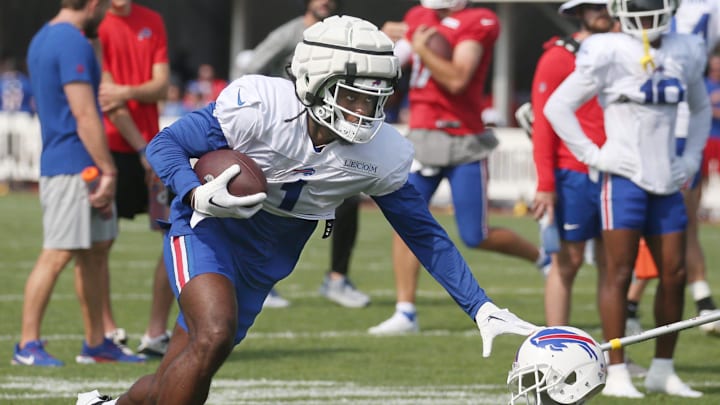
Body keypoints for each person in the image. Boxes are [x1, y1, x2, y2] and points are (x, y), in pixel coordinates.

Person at [75, 15, 538, 405]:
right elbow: (166, 144)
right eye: (354, 95)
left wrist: (479, 307)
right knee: (213, 333)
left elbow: (424, 234)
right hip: (209, 229)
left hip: (269, 256)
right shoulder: (261, 103)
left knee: (185, 369)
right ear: (316, 80)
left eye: (376, 97)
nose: (366, 110)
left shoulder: (383, 151)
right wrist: (193, 191)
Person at [544, 0, 711, 398]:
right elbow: (557, 106)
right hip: (622, 181)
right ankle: (616, 369)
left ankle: (662, 369)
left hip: (666, 180)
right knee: (618, 273)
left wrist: (689, 158)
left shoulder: (685, 47)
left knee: (674, 275)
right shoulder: (606, 48)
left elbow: (700, 106)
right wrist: (593, 154)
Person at [369, 0, 549, 335]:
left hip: (462, 137)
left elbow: (457, 79)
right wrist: (382, 43)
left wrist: (421, 46)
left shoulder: (478, 20)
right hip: (423, 134)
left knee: (475, 234)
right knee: (403, 219)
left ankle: (542, 257)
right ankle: (406, 310)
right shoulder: (418, 16)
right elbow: (393, 64)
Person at [14, 0, 144, 367]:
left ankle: (96, 343)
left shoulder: (44, 38)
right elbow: (85, 112)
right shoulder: (72, 42)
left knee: (95, 251)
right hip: (74, 165)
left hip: (75, 163)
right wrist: (110, 169)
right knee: (57, 253)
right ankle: (27, 345)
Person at [239, 0, 371, 308]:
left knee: (349, 198)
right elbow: (249, 70)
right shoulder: (289, 34)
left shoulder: (341, 34)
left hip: (332, 130)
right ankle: (258, 278)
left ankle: (337, 279)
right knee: (268, 202)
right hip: (289, 133)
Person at [625, 0, 720, 338]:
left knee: (671, 224)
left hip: (668, 120)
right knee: (652, 226)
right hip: (650, 122)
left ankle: (697, 299)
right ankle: (636, 305)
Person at [95, 0, 173, 357]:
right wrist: (143, 149)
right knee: (99, 244)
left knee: (176, 235)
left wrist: (126, 91)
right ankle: (106, 331)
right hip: (111, 147)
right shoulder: (96, 24)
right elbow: (106, 100)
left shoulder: (152, 20)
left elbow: (161, 87)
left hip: (149, 147)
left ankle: (156, 333)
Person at [530, 0, 611, 327]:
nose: (602, 11)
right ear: (579, 11)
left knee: (616, 265)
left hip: (619, 174)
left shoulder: (629, 52)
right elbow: (543, 125)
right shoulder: (560, 56)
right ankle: (556, 349)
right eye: (593, 5)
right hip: (573, 174)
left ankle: (618, 358)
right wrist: (546, 185)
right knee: (567, 262)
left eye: (607, 5)